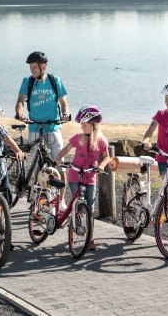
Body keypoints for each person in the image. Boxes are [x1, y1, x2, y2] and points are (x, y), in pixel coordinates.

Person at [15, 51, 70, 206]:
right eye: (30, 67)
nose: (32, 69)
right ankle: (37, 194)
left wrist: (65, 113)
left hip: (52, 127)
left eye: (35, 66)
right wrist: (19, 112)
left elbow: (64, 102)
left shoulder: (54, 81)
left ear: (43, 66)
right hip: (34, 127)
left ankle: (61, 200)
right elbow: (20, 100)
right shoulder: (28, 81)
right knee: (35, 163)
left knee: (59, 163)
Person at [55, 105, 111, 250]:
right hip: (74, 175)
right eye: (81, 125)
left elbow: (107, 157)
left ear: (94, 125)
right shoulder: (78, 138)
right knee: (78, 203)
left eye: (85, 125)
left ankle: (90, 237)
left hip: (90, 177)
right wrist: (58, 158)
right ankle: (75, 222)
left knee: (90, 208)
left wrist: (102, 166)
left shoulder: (101, 141)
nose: (82, 128)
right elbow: (66, 149)